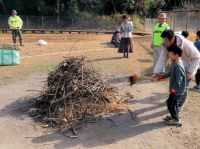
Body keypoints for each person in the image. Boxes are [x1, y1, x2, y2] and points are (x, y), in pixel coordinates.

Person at [153, 30, 200, 110]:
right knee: (173, 86)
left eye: (165, 40)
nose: (164, 42)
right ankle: (172, 101)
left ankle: (179, 105)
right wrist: (156, 72)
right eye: (163, 40)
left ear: (171, 39)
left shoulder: (187, 44)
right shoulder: (166, 45)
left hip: (187, 69)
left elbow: (197, 57)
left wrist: (190, 72)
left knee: (183, 88)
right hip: (175, 68)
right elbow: (162, 60)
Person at [163, 45, 186, 126]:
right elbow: (170, 73)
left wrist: (173, 90)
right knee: (174, 103)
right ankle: (174, 116)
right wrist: (162, 76)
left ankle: (175, 119)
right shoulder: (174, 63)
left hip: (177, 90)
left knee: (170, 103)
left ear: (176, 55)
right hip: (175, 89)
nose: (168, 54)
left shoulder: (178, 65)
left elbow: (178, 81)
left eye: (170, 53)